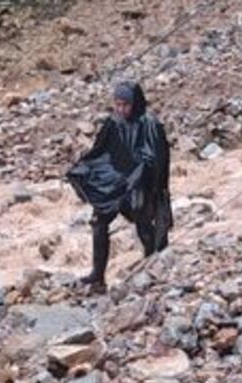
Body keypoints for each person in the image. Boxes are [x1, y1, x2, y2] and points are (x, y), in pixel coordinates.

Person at [70, 81, 173, 294]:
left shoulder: (150, 123)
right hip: (116, 183)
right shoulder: (113, 123)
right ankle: (98, 275)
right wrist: (84, 166)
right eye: (117, 104)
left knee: (143, 223)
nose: (120, 109)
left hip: (140, 185)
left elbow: (157, 159)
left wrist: (141, 173)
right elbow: (101, 151)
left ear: (135, 103)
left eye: (125, 105)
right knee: (99, 222)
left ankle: (153, 267)